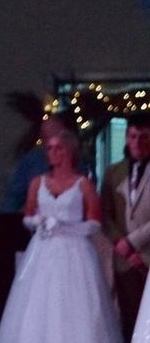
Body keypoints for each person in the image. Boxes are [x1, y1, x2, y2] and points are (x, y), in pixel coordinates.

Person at [0, 129, 120, 342]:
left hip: (74, 251)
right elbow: (28, 216)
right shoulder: (38, 182)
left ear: (69, 151)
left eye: (58, 148)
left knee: (73, 301)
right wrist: (39, 222)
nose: (52, 153)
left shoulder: (83, 184)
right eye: (49, 148)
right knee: (38, 300)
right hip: (43, 248)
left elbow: (94, 223)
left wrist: (65, 227)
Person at [103, 116, 150, 337]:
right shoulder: (113, 172)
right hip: (124, 259)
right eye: (133, 136)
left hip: (147, 251)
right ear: (126, 138)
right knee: (129, 318)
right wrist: (122, 244)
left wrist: (133, 242)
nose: (137, 142)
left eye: (144, 137)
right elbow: (105, 214)